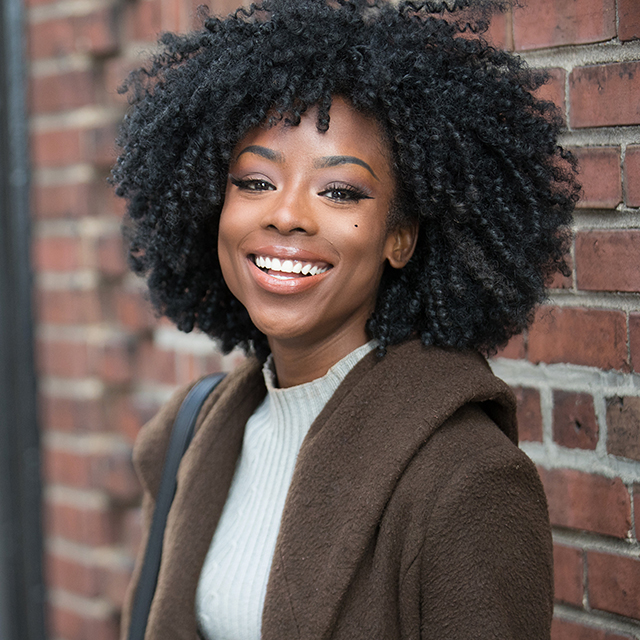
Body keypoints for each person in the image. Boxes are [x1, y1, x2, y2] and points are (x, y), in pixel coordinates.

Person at [112, 0, 579, 638]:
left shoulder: (465, 481)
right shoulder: (190, 435)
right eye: (254, 182)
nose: (287, 215)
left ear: (401, 238)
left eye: (340, 192)